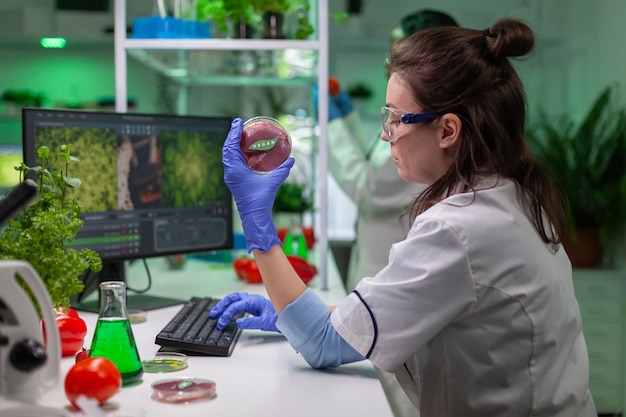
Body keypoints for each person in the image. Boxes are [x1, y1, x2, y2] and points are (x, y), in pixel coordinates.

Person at [212, 17, 597, 416]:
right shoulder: (512, 194)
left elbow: (322, 344)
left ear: (448, 130)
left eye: (396, 119)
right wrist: (286, 316)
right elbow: (366, 323)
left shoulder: (459, 229)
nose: (385, 134)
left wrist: (255, 218)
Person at [324, 10, 459, 293]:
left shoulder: (424, 131)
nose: (389, 60)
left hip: (388, 268)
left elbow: (368, 187)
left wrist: (333, 125)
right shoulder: (413, 119)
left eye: (397, 50)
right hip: (379, 262)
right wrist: (346, 118)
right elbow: (376, 156)